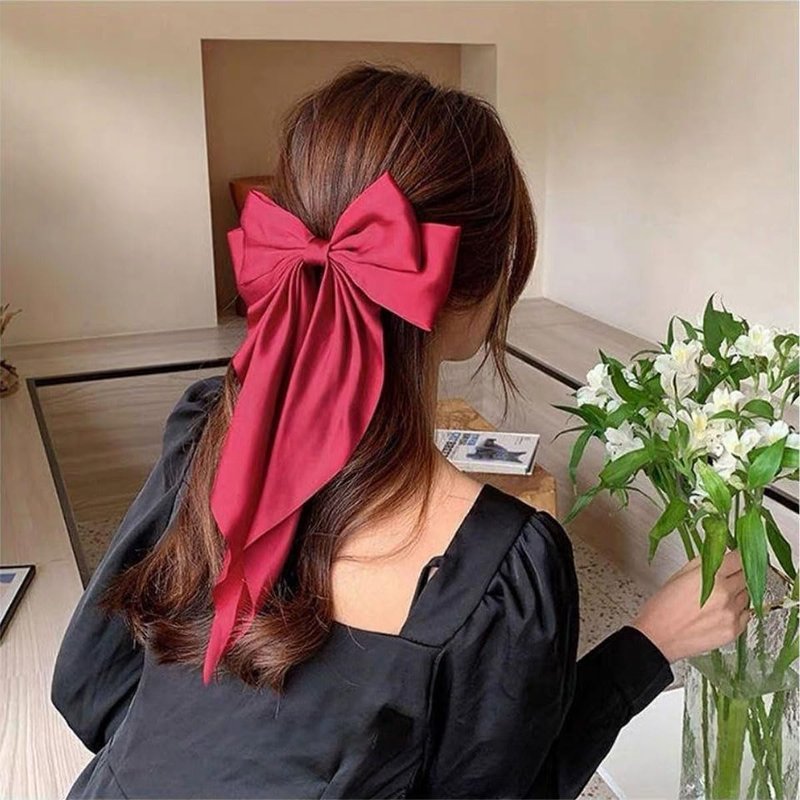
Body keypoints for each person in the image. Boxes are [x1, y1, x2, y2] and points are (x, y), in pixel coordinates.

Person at [51, 65, 750, 799]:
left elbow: (89, 685)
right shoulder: (502, 569)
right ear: (474, 288)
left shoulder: (209, 431)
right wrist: (649, 644)